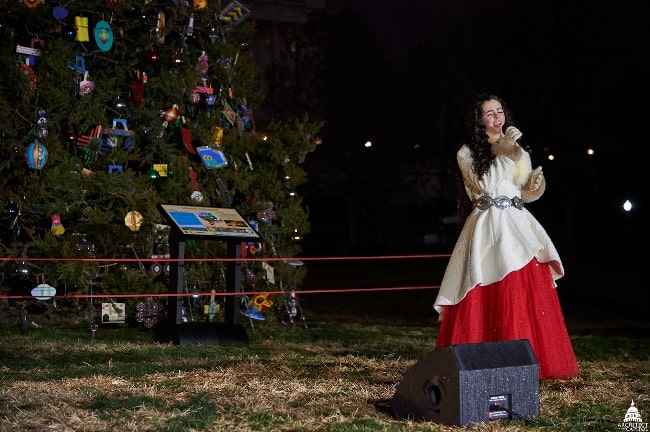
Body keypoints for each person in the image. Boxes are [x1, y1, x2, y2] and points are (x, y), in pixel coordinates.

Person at [433, 93, 579, 380]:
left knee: (522, 286)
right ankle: (482, 361)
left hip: (516, 224)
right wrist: (506, 151)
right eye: (490, 113)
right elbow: (486, 184)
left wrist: (535, 186)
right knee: (486, 282)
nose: (497, 117)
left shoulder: (517, 149)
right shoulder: (467, 153)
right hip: (488, 227)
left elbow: (520, 189)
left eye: (500, 111)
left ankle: (528, 360)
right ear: (479, 120)